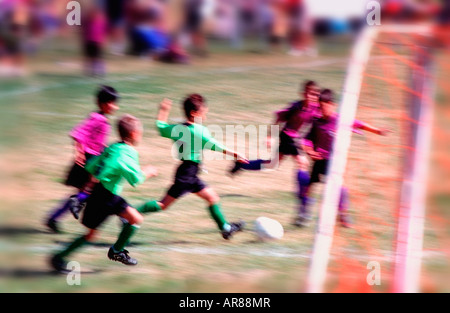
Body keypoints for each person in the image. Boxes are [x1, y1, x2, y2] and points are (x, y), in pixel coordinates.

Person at [50, 114, 158, 272]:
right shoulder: (127, 152)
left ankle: (59, 257)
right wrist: (148, 171)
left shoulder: (113, 147)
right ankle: (116, 251)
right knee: (133, 220)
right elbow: (136, 179)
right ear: (134, 134)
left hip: (100, 194)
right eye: (140, 132)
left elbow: (91, 166)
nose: (141, 135)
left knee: (93, 233)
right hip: (107, 197)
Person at [137, 95, 248, 240]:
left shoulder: (177, 128)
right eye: (204, 110)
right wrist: (235, 154)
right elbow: (215, 146)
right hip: (187, 174)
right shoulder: (199, 131)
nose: (206, 112)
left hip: (188, 172)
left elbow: (160, 127)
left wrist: (163, 110)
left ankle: (225, 228)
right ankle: (130, 213)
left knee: (212, 197)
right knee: (163, 204)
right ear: (194, 113)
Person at [297, 89, 390, 227]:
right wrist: (310, 151)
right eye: (319, 107)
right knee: (310, 186)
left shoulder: (340, 120)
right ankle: (304, 213)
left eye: (323, 107)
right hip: (319, 160)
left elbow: (359, 124)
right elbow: (306, 140)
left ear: (331, 104)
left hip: (334, 162)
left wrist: (377, 131)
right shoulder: (317, 122)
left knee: (339, 187)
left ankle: (343, 216)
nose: (321, 110)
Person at [45, 86, 119, 233]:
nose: (115, 107)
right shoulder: (97, 118)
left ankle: (54, 217)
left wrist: (104, 150)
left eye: (115, 103)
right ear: (102, 103)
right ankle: (122, 217)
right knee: (97, 192)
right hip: (89, 161)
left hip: (94, 160)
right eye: (112, 103)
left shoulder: (102, 119)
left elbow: (95, 141)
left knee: (86, 193)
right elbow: (78, 133)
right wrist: (78, 152)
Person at [230, 80, 320, 175]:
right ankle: (302, 189)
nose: (314, 97)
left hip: (294, 138)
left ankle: (242, 164)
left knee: (272, 164)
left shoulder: (316, 108)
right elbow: (279, 118)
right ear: (304, 94)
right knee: (302, 163)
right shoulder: (296, 106)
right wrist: (270, 136)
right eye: (311, 94)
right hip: (288, 137)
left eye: (316, 95)